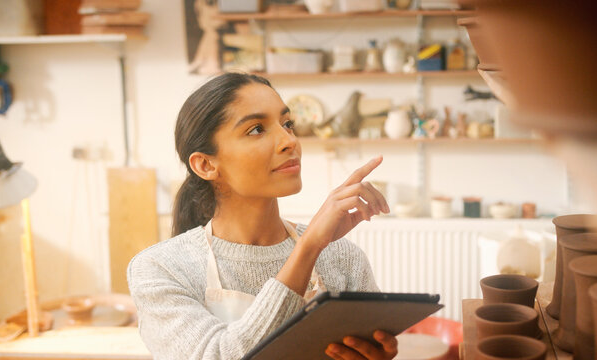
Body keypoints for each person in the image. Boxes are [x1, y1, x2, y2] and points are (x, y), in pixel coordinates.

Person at [127, 72, 397, 360]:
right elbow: (218, 356)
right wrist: (308, 247)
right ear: (205, 165)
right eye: (256, 129)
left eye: (287, 124)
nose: (289, 141)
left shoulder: (342, 258)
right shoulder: (160, 269)